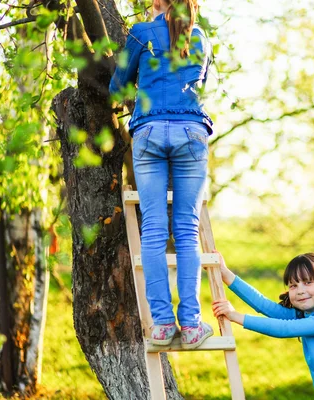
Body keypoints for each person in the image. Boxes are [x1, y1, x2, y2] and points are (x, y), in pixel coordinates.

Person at [109, 0, 214, 349]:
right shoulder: (201, 37)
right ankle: (192, 325)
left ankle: (163, 325)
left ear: (156, 1)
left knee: (153, 228)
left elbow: (117, 87)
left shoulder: (141, 33)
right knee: (187, 230)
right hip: (191, 134)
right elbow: (201, 84)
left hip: (150, 133)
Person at [212, 252, 314, 400]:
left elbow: (284, 329)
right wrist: (226, 275)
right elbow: (264, 305)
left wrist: (236, 316)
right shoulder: (307, 315)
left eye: (308, 282)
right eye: (293, 285)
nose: (300, 291)